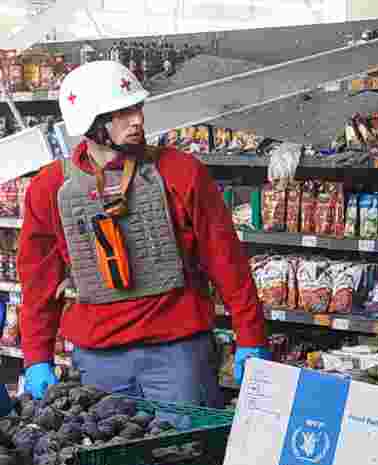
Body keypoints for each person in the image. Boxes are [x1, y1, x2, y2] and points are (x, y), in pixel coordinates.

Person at [17, 60, 268, 404]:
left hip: (179, 354)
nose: (137, 119)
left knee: (187, 453)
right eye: (120, 112)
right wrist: (36, 357)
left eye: (137, 107)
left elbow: (225, 259)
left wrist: (250, 334)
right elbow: (38, 281)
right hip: (97, 358)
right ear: (89, 122)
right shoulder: (50, 189)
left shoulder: (181, 172)